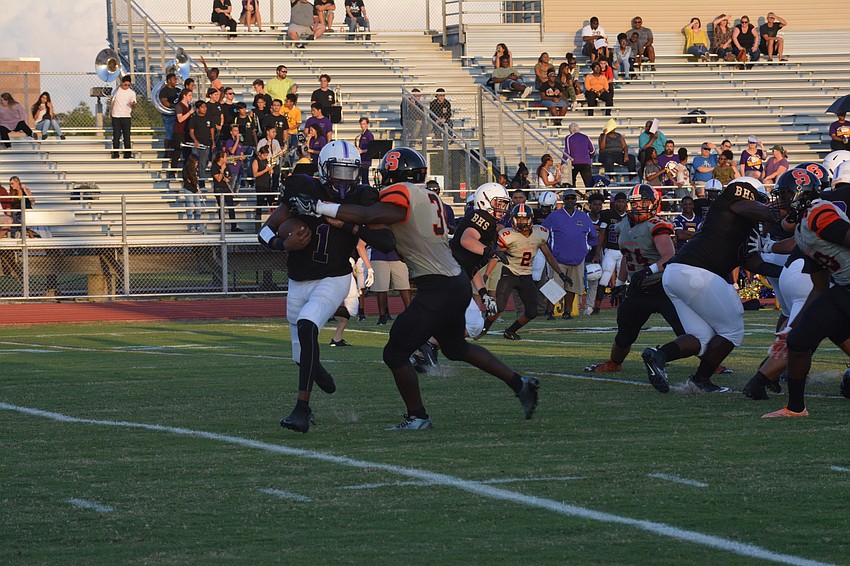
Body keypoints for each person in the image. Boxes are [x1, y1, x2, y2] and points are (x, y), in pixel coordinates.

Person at [289, 148, 541, 429]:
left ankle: (418, 416)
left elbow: (374, 216)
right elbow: (376, 231)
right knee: (456, 347)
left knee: (395, 352)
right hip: (454, 280)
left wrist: (319, 208)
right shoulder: (429, 196)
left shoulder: (402, 192)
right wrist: (348, 225)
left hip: (437, 285)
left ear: (395, 173)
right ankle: (520, 383)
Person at [260, 140, 395, 433]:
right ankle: (318, 372)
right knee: (301, 355)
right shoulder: (302, 187)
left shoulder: (363, 195)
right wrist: (282, 243)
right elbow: (265, 231)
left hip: (335, 277)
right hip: (298, 282)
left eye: (350, 172)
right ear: (323, 170)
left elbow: (385, 242)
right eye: (338, 172)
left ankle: (302, 410)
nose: (345, 180)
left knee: (308, 325)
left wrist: (342, 222)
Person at [641, 177, 785, 394]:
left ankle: (658, 356)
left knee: (701, 338)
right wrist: (779, 210)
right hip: (697, 272)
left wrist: (785, 273)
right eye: (760, 201)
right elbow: (752, 208)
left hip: (678, 275)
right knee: (732, 330)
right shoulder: (736, 197)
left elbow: (753, 262)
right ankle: (700, 379)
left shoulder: (742, 227)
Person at [761, 177, 850, 417]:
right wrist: (793, 326)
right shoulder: (802, 230)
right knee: (798, 342)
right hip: (841, 288)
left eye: (784, 195)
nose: (780, 201)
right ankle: (796, 408)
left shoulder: (818, 213)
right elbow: (819, 287)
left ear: (801, 194)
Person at [586, 185, 682, 373]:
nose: (638, 207)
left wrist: (648, 271)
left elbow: (670, 257)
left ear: (654, 203)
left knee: (684, 330)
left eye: (643, 203)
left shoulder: (657, 226)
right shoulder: (622, 226)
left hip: (662, 287)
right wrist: (620, 284)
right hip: (638, 289)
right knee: (624, 332)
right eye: (635, 203)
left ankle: (713, 364)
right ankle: (614, 363)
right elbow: (626, 257)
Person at [481, 204, 570, 340]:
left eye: (524, 219)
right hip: (509, 273)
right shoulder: (508, 235)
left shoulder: (540, 233)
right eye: (519, 218)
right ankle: (483, 329)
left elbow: (549, 256)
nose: (521, 222)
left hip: (526, 274)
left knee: (532, 312)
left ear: (530, 218)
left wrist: (561, 273)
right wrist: (486, 275)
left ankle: (510, 331)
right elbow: (496, 256)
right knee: (499, 306)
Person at [542, 188, 598, 319]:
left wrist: (586, 248)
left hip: (577, 259)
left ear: (576, 200)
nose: (570, 200)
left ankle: (567, 312)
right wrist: (549, 252)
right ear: (564, 200)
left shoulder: (583, 217)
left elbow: (593, 236)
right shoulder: (554, 216)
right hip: (558, 259)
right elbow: (543, 233)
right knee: (554, 286)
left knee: (572, 287)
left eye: (573, 198)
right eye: (568, 198)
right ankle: (549, 311)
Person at [592, 191, 628, 311]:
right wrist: (597, 253)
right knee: (605, 277)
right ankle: (597, 306)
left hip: (624, 252)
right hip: (610, 250)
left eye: (623, 202)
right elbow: (602, 235)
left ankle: (621, 306)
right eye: (618, 202)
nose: (621, 204)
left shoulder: (630, 216)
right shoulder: (607, 215)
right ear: (614, 203)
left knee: (622, 280)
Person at [371, 242, 412, 325]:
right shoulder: (375, 228)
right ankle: (382, 315)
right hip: (379, 256)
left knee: (404, 286)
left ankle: (410, 313)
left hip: (398, 256)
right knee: (381, 288)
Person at [210, 151, 241, 231]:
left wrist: (228, 179)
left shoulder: (227, 166)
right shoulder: (215, 167)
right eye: (225, 157)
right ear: (221, 158)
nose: (227, 158)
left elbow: (229, 176)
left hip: (226, 188)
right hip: (219, 189)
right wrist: (222, 170)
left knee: (231, 207)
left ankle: (233, 227)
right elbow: (218, 179)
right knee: (222, 208)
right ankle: (222, 226)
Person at [188, 100, 215, 186]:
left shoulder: (209, 117)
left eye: (205, 107)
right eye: (202, 107)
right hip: (197, 145)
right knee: (194, 163)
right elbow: (191, 131)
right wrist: (195, 140)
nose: (204, 109)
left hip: (206, 144)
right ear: (198, 109)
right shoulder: (194, 118)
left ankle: (202, 182)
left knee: (203, 164)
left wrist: (213, 142)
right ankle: (193, 180)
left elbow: (212, 130)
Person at [110, 76, 136, 159]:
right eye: (125, 85)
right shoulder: (116, 91)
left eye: (128, 85)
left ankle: (127, 154)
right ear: (122, 83)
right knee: (116, 135)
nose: (127, 87)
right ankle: (115, 153)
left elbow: (134, 104)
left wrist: (133, 104)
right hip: (116, 115)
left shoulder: (132, 93)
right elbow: (111, 101)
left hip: (126, 116)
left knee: (127, 136)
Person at [562, 122, 594, 188]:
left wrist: (562, 162)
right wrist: (588, 157)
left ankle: (574, 193)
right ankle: (590, 194)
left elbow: (567, 151)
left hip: (574, 161)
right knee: (588, 182)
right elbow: (593, 150)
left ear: (570, 130)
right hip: (586, 162)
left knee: (572, 180)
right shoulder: (585, 137)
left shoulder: (568, 138)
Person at [172, 88, 195, 171]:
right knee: (177, 150)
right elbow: (180, 119)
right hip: (179, 131)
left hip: (187, 131)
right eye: (189, 95)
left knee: (187, 152)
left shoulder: (189, 106)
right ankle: (173, 170)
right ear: (184, 96)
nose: (191, 97)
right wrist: (190, 112)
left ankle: (186, 170)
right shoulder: (179, 106)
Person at [252, 145, 274, 228]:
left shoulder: (266, 161)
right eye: (264, 155)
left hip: (267, 183)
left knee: (271, 201)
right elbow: (255, 174)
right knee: (260, 203)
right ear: (260, 154)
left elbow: (269, 169)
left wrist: (270, 170)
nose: (265, 157)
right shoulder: (256, 161)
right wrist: (265, 170)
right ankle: (258, 225)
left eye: (266, 155)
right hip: (260, 184)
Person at [181, 153, 204, 233]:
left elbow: (195, 181)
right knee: (190, 206)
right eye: (196, 162)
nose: (197, 164)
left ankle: (198, 224)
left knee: (198, 207)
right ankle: (191, 226)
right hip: (188, 189)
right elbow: (188, 181)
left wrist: (198, 188)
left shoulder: (195, 170)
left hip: (195, 189)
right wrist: (195, 184)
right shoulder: (186, 169)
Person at [355, 116, 374, 185]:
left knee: (365, 179)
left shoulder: (369, 135)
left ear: (367, 124)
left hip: (366, 160)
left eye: (364, 124)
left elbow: (372, 148)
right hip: (361, 159)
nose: (362, 126)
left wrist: (362, 151)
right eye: (361, 124)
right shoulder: (362, 134)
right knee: (361, 178)